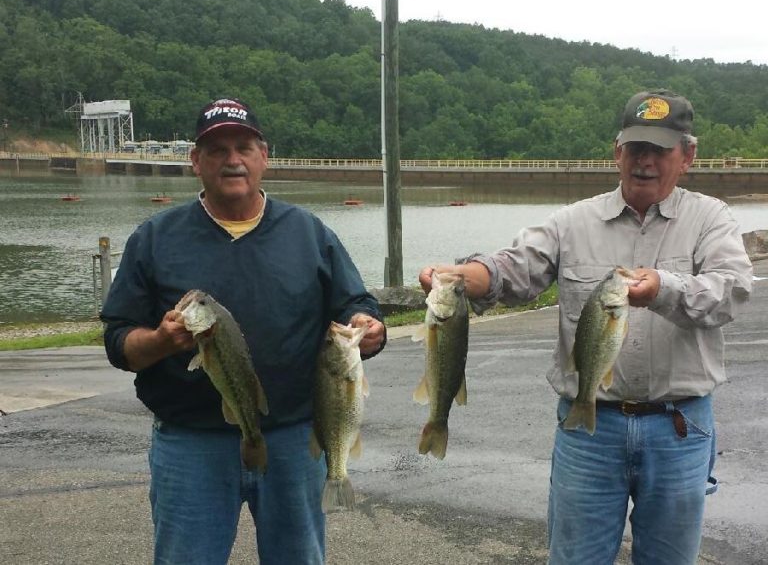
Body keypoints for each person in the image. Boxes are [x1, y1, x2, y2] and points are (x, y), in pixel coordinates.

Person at [418, 89, 752, 565]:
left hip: (680, 428)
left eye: (660, 150)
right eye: (636, 149)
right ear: (617, 152)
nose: (646, 162)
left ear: (688, 155)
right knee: (575, 558)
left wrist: (663, 288)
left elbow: (732, 290)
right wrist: (462, 278)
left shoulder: (710, 219)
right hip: (588, 431)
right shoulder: (572, 222)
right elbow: (514, 269)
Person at [101, 97, 386, 565]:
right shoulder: (154, 238)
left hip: (295, 440)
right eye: (217, 150)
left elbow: (356, 305)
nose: (232, 160)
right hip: (190, 443)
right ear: (195, 161)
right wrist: (156, 342)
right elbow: (118, 342)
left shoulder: (309, 233)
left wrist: (368, 327)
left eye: (243, 147)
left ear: (264, 156)